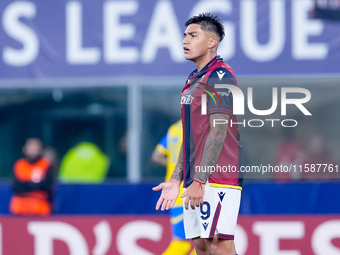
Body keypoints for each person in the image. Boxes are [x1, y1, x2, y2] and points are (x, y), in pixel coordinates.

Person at [153, 13, 243, 255]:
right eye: (184, 35)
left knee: (219, 245)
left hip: (219, 175)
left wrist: (200, 180)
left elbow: (219, 130)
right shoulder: (193, 80)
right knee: (201, 246)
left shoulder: (221, 75)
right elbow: (191, 137)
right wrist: (176, 179)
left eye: (193, 35)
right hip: (195, 178)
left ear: (212, 42)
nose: (185, 41)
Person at [152, 120, 197, 255]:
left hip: (173, 191)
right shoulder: (200, 126)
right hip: (193, 189)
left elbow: (156, 156)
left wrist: (176, 168)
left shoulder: (174, 128)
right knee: (204, 243)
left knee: (180, 244)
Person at [10, 138, 54, 216]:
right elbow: (16, 186)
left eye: (36, 148)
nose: (33, 151)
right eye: (31, 148)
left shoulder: (46, 165)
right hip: (20, 208)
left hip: (40, 208)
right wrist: (34, 185)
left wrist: (26, 184)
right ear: (25, 149)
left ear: (41, 150)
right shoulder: (19, 165)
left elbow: (46, 185)